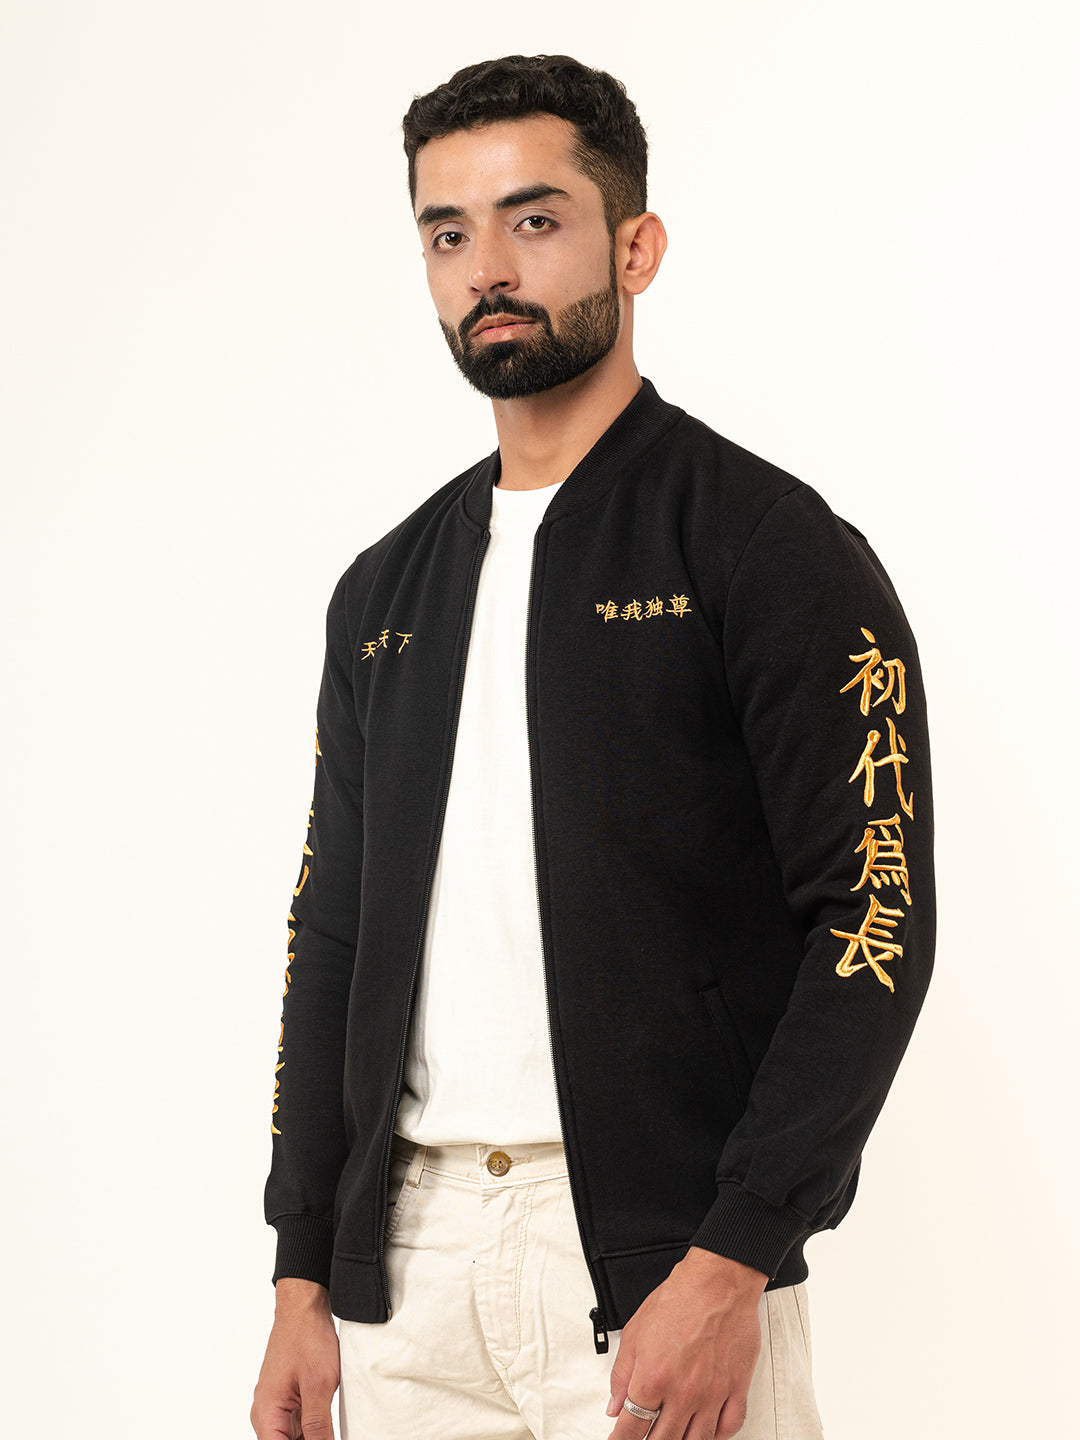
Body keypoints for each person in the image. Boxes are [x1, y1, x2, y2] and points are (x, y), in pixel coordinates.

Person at [250, 53, 935, 1440]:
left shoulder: (766, 547)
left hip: (659, 1261)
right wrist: (301, 1269)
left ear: (637, 247)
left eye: (534, 219)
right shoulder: (384, 593)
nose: (488, 269)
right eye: (448, 233)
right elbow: (334, 934)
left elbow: (873, 916)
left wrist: (737, 1255)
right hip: (405, 1277)